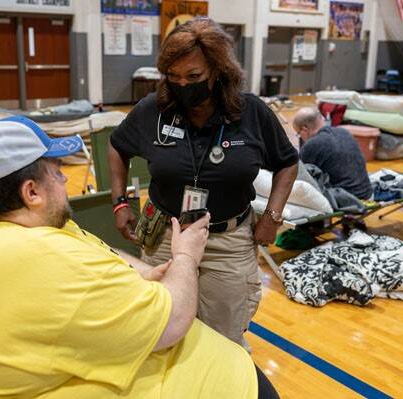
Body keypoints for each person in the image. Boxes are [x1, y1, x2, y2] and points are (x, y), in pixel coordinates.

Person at [0, 116, 279, 399]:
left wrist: (145, 272)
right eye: (55, 170)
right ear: (31, 191)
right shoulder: (49, 264)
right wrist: (186, 257)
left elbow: (94, 250)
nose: (64, 177)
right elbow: (173, 323)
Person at [108, 18, 298, 346]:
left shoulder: (251, 112)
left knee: (224, 336)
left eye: (193, 76)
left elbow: (288, 163)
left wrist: (272, 217)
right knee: (164, 330)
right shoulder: (153, 110)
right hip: (166, 237)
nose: (183, 84)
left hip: (228, 242)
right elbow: (117, 146)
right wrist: (120, 201)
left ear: (217, 70)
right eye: (173, 77)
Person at [293, 107, 373, 200]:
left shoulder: (312, 145)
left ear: (305, 129)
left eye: (299, 133)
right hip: (368, 194)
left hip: (347, 201)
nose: (300, 137)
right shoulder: (344, 132)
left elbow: (300, 178)